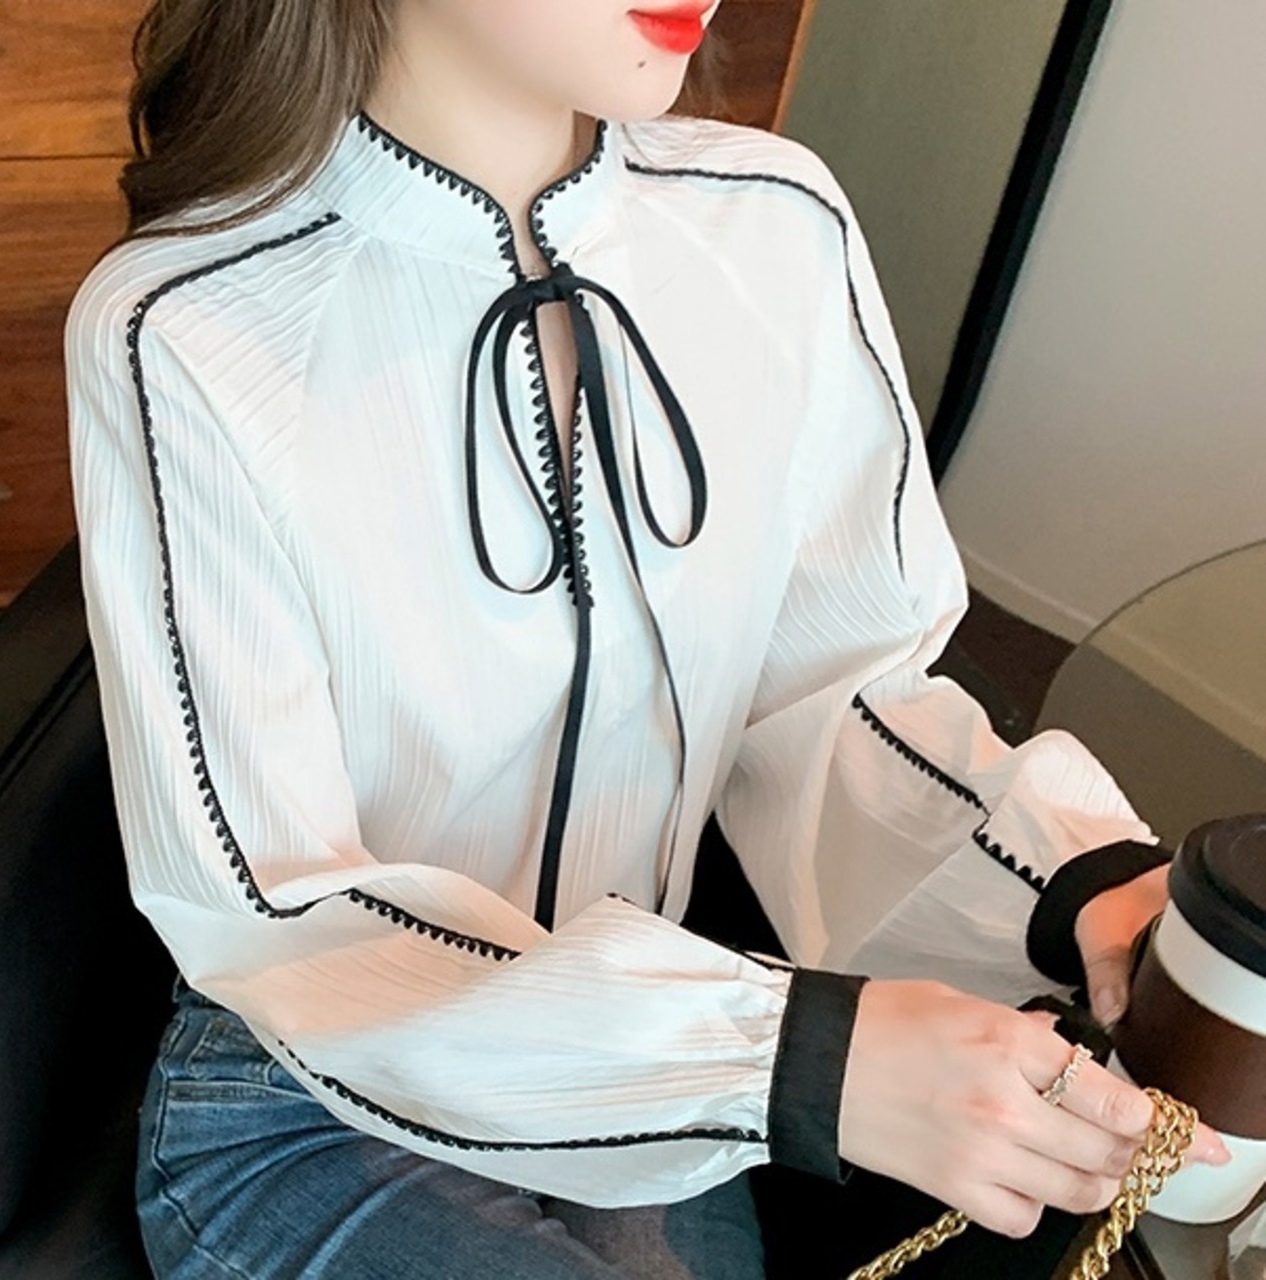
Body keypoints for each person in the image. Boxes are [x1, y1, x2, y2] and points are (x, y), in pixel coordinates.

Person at [64, 1, 1229, 1276]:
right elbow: (276, 908)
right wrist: (792, 1057)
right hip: (316, 1100)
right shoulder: (185, 321)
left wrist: (1070, 877)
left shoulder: (773, 223)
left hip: (663, 1059)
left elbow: (827, 687)